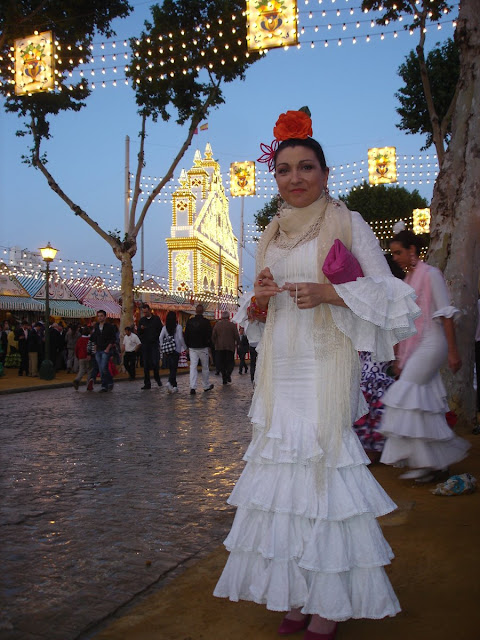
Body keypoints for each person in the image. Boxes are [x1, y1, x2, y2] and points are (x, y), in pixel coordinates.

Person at [213, 109, 421, 639]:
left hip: (328, 364)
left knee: (325, 476)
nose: (296, 177)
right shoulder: (270, 234)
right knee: (283, 477)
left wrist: (331, 293)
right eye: (284, 169)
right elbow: (252, 314)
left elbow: (391, 293)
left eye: (306, 167)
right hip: (280, 367)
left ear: (326, 174)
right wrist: (256, 301)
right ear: (275, 177)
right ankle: (294, 596)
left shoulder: (347, 222)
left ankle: (328, 604)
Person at [379, 226, 470, 482]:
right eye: (393, 253)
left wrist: (452, 351)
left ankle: (423, 461)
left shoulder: (431, 274)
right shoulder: (409, 280)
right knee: (425, 405)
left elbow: (445, 313)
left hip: (433, 343)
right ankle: (436, 464)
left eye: (398, 252)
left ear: (412, 250)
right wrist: (399, 357)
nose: (395, 257)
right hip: (416, 346)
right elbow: (405, 322)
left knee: (406, 394)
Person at [184, 304, 214, 395]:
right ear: (203, 311)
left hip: (192, 347)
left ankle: (193, 386)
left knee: (193, 367)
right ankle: (205, 385)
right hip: (203, 347)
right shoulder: (206, 322)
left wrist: (188, 345)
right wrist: (209, 346)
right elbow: (210, 335)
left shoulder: (190, 322)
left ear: (196, 311)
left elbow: (186, 335)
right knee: (205, 367)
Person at [160, 310, 187, 393]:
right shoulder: (178, 327)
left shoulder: (165, 327)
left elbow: (160, 337)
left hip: (168, 350)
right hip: (176, 349)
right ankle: (169, 382)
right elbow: (180, 338)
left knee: (172, 368)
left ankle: (174, 386)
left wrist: (162, 347)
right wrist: (185, 347)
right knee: (174, 369)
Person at [90, 310, 117, 392]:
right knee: (101, 368)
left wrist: (108, 348)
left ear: (105, 317)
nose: (100, 317)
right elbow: (95, 338)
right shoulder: (97, 326)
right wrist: (94, 347)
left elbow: (113, 339)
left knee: (103, 367)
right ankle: (107, 383)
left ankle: (105, 385)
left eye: (101, 316)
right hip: (98, 350)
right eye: (98, 316)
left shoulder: (109, 326)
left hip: (106, 349)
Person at [138, 303, 163, 389]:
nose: (145, 314)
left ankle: (157, 378)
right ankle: (147, 383)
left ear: (149, 310)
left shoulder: (156, 319)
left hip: (154, 344)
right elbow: (139, 332)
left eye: (146, 312)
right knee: (146, 364)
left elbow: (160, 330)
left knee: (155, 362)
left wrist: (157, 339)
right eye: (143, 312)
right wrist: (141, 330)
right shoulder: (142, 320)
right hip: (145, 345)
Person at [212, 310, 240, 385]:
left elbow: (213, 335)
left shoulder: (217, 325)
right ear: (228, 317)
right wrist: (238, 343)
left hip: (219, 347)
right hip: (230, 347)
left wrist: (215, 343)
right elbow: (236, 335)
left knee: (222, 363)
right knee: (230, 362)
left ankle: (224, 376)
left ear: (221, 317)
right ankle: (228, 374)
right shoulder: (232, 325)